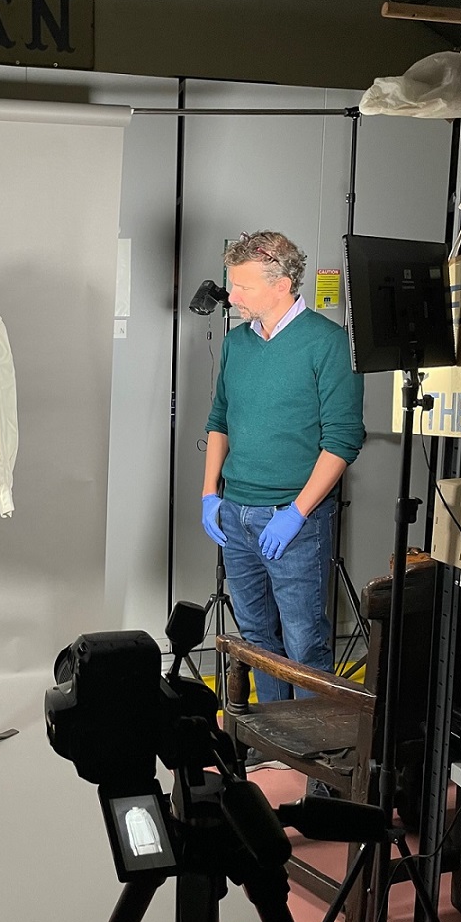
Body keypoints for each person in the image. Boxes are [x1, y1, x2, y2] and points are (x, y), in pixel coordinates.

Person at [201, 231, 365, 776]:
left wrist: (296, 512)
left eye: (243, 285)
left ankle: (318, 761)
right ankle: (270, 746)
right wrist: (210, 495)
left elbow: (342, 440)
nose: (232, 293)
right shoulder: (238, 342)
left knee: (304, 644)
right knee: (256, 640)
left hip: (294, 520)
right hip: (237, 514)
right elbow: (219, 419)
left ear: (283, 284)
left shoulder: (327, 342)